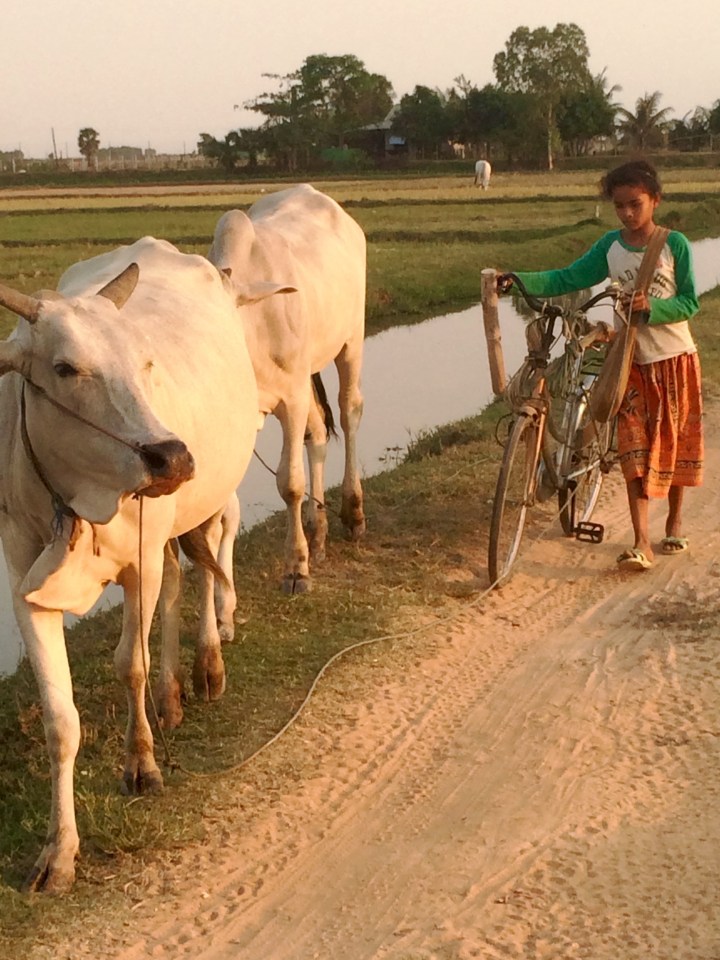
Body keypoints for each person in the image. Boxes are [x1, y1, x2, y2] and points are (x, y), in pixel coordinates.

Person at [499, 159, 703, 572]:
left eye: (636, 204)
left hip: (674, 358)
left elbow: (690, 302)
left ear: (655, 201)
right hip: (629, 363)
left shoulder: (673, 244)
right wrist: (517, 278)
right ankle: (641, 540)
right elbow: (568, 277)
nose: (628, 214)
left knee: (675, 444)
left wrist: (654, 307)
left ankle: (674, 520)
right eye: (620, 206)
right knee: (632, 449)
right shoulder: (610, 247)